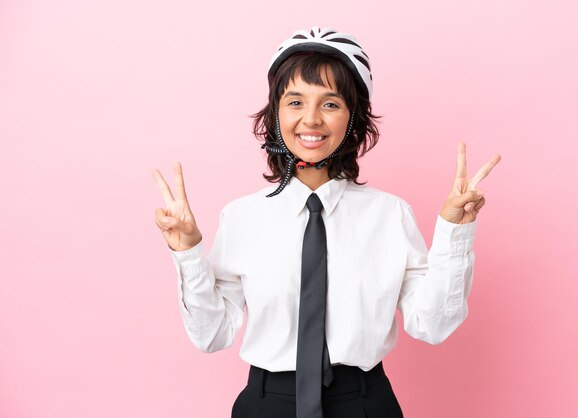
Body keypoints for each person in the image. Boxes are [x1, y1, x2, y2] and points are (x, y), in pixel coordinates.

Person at [151, 27, 501, 418]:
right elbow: (211, 335)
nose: (311, 120)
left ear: (354, 119)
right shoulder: (241, 217)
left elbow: (432, 325)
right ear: (276, 113)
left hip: (364, 404)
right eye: (295, 101)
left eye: (330, 104)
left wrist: (456, 232)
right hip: (269, 404)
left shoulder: (389, 215)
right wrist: (187, 252)